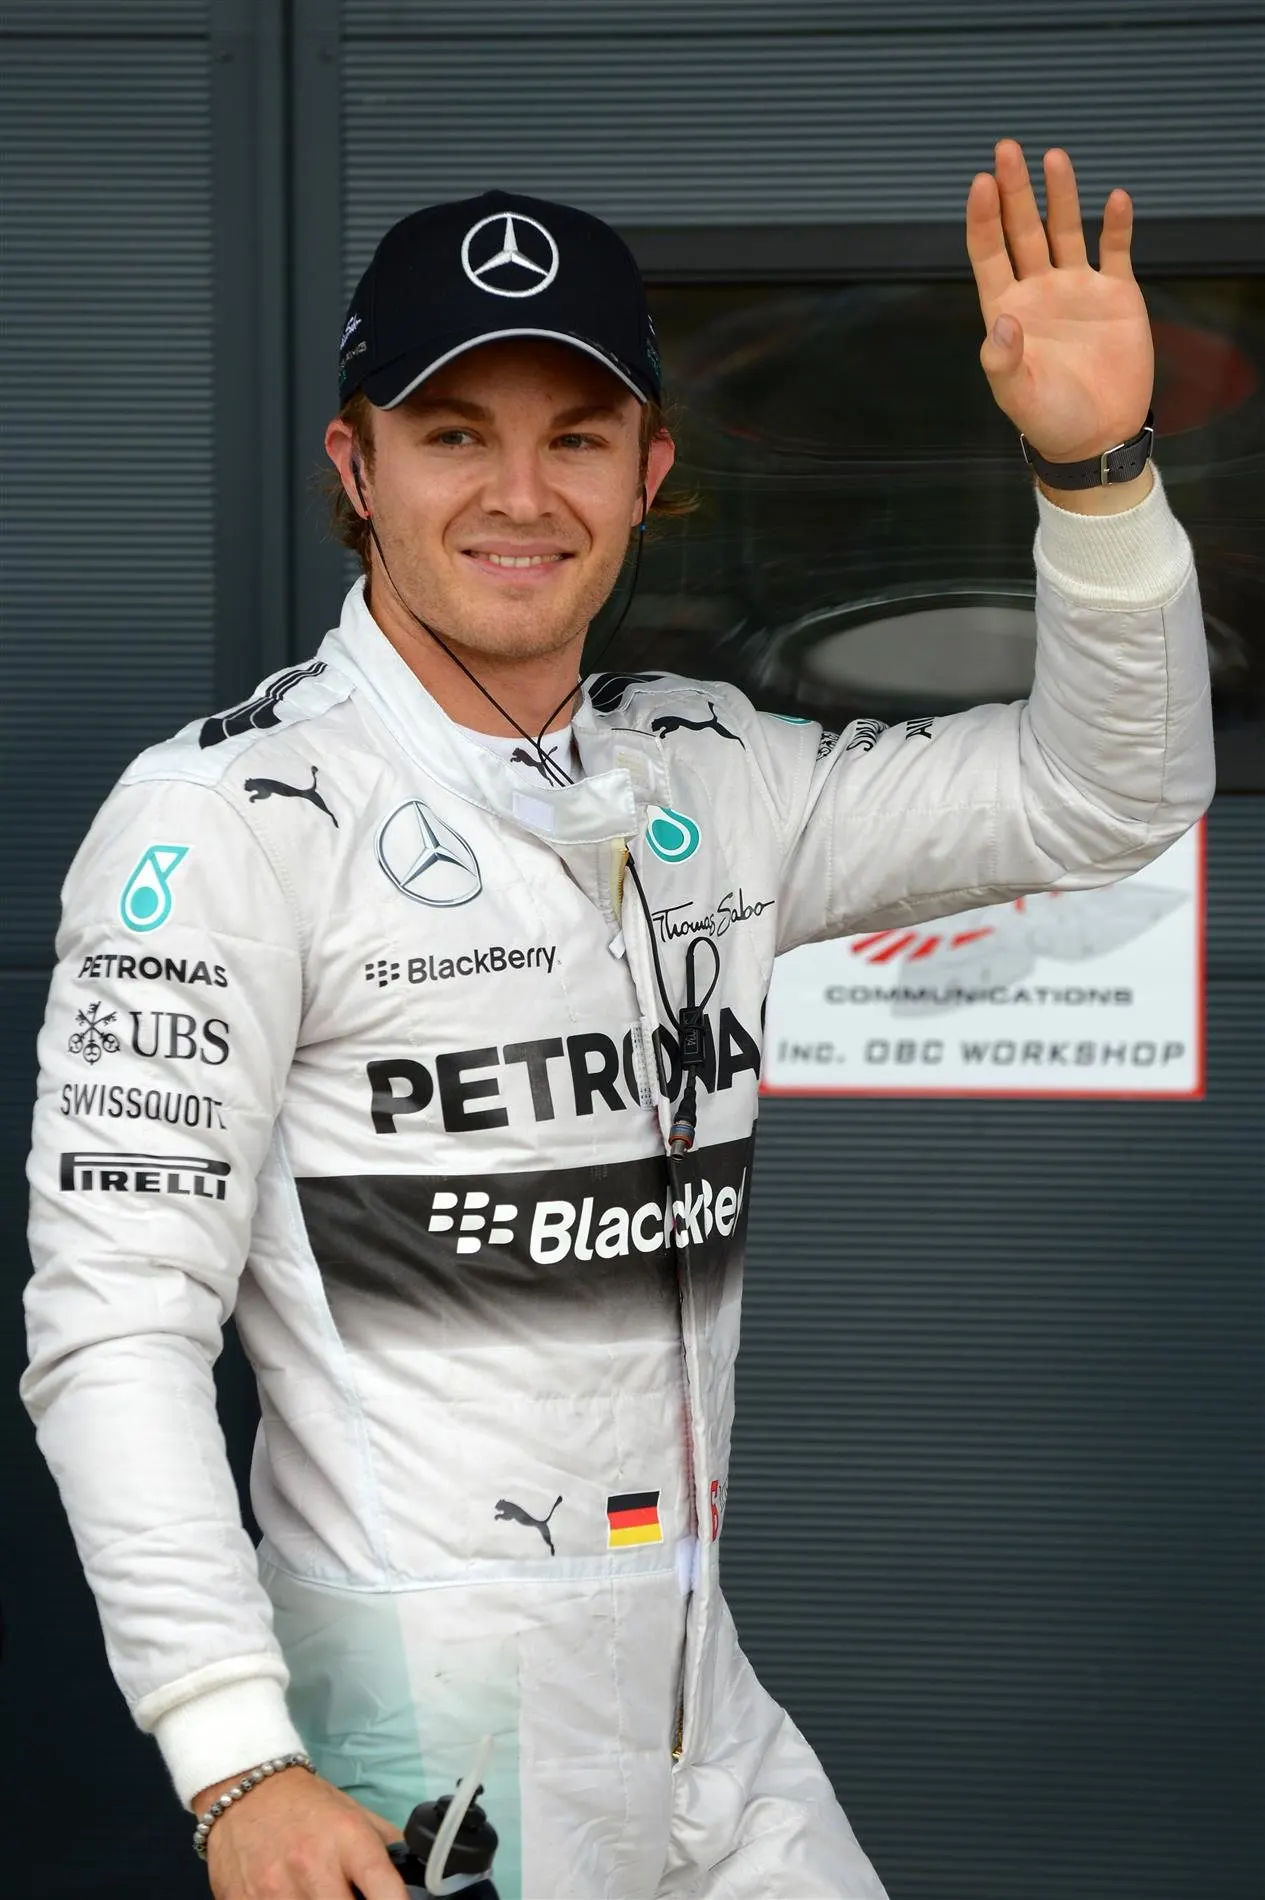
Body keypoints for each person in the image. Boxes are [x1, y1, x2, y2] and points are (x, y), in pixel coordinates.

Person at [22, 139, 1212, 1900]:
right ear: (354, 469)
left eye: (574, 435)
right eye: (454, 435)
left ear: (652, 473)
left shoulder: (711, 769)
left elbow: (1108, 791)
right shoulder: (228, 816)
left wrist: (1095, 474)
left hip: (696, 1703)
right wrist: (233, 1754)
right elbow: (113, 1322)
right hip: (416, 1739)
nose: (521, 494)